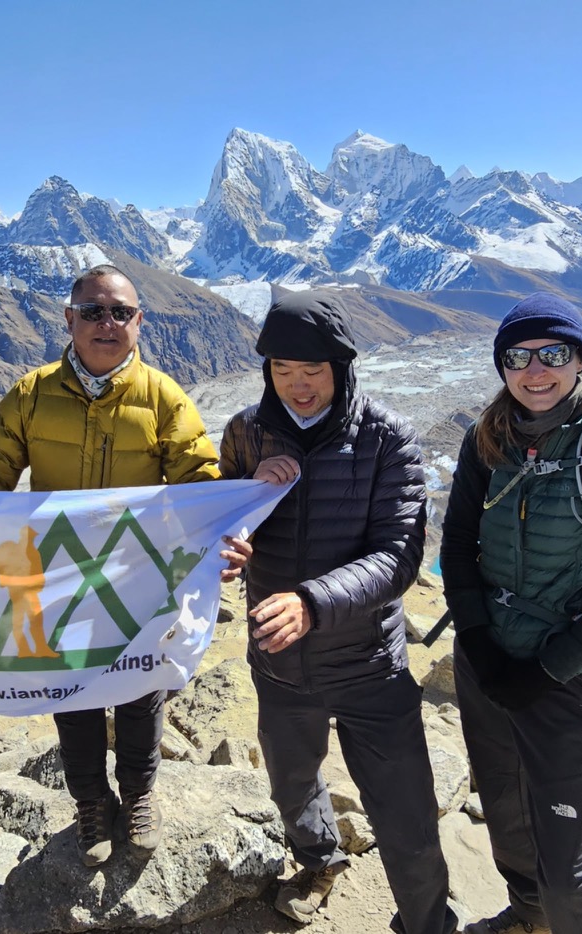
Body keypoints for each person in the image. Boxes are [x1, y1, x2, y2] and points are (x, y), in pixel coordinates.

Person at [0, 263, 220, 866]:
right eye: (94, 311)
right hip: (61, 574)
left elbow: (198, 481)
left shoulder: (164, 398)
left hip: (137, 573)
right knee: (71, 691)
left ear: (139, 322)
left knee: (140, 687)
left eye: (120, 312)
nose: (107, 322)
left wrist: (225, 534)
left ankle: (139, 793)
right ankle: (91, 802)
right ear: (69, 318)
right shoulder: (31, 394)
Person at [216, 291, 454, 933]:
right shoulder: (245, 432)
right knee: (292, 781)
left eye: (312, 371)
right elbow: (220, 518)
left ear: (341, 368)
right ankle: (319, 861)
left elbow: (398, 557)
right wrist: (239, 517)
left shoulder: (386, 438)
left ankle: (427, 922)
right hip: (278, 659)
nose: (297, 386)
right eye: (283, 370)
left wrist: (311, 602)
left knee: (404, 810)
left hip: (367, 662)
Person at [441, 293, 582, 934]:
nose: (535, 370)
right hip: (484, 659)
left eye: (553, 353)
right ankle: (528, 915)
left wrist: (545, 673)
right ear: (502, 366)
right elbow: (457, 545)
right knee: (504, 808)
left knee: (569, 870)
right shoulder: (487, 438)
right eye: (518, 357)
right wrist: (477, 641)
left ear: (580, 359)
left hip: (563, 674)